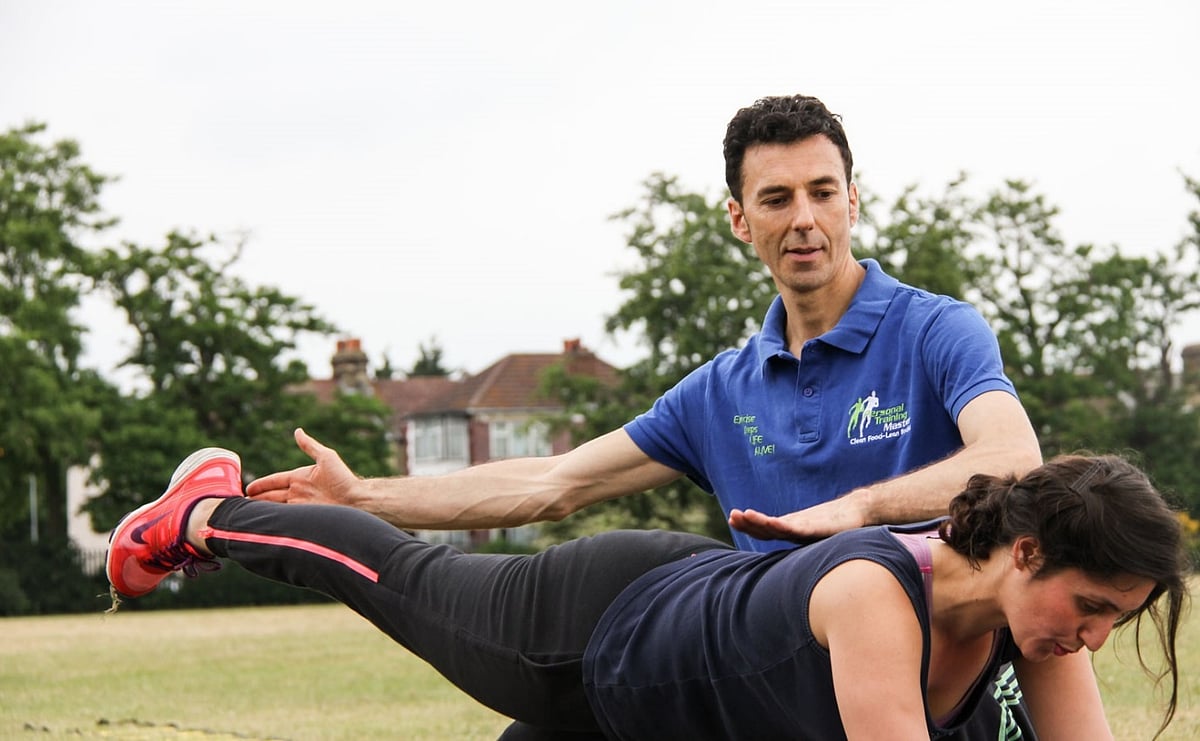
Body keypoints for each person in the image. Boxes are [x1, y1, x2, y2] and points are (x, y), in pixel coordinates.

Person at [247, 94, 1044, 738]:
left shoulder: (936, 330)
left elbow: (1015, 459)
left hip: (940, 691)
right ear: (740, 220)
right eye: (777, 198)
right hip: (771, 692)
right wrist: (365, 498)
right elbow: (548, 483)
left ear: (852, 202)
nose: (804, 217)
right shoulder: (720, 393)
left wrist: (864, 506)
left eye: (822, 192)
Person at [107, 448, 1187, 740]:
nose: (1091, 639)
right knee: (395, 574)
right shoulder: (876, 598)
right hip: (594, 634)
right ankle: (201, 515)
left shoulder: (1038, 631)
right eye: (1091, 608)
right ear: (1030, 554)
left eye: (1118, 622)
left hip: (666, 713)